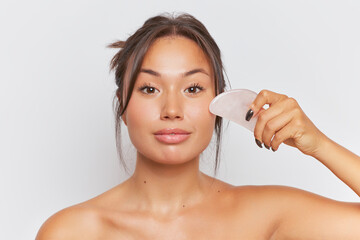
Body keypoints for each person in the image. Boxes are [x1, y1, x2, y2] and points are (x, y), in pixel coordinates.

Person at [36, 12, 360, 239]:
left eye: (193, 89)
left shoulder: (265, 214)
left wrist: (319, 145)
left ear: (218, 104)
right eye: (150, 89)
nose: (172, 110)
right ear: (123, 104)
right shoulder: (70, 232)